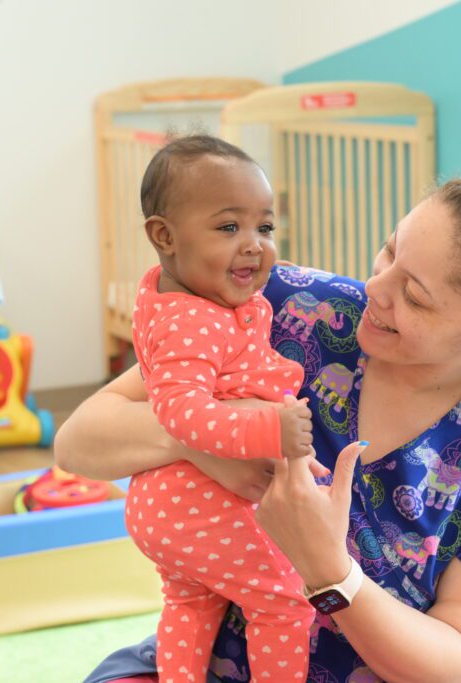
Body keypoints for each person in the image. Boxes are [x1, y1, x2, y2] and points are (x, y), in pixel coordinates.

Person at [57, 173, 461, 683]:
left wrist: (328, 572)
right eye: (388, 254)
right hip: (202, 659)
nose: (375, 292)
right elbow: (80, 439)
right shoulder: (286, 306)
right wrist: (205, 441)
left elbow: (455, 658)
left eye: (413, 297)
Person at [124, 135, 322, 683]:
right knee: (284, 602)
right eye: (229, 228)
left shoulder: (173, 298)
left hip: (165, 503)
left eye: (265, 227)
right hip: (197, 503)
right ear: (164, 236)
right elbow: (180, 413)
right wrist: (271, 426)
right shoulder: (194, 320)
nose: (255, 245)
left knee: (191, 604)